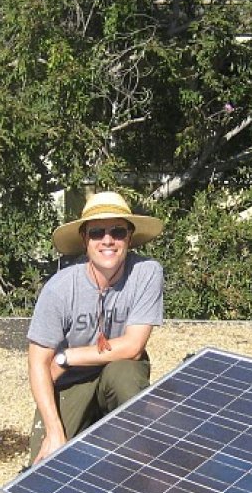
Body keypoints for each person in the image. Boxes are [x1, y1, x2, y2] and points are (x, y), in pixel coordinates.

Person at [26, 191, 165, 465]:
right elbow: (38, 364)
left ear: (130, 236)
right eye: (97, 232)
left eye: (118, 231)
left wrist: (67, 357)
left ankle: (137, 461)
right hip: (71, 382)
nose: (108, 240)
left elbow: (133, 347)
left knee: (125, 376)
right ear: (84, 239)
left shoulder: (147, 273)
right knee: (45, 468)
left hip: (119, 368)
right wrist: (54, 431)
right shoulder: (60, 290)